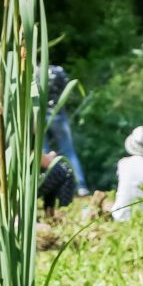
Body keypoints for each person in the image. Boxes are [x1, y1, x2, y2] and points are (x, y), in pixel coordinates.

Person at [43, 63, 89, 196]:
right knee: (68, 151)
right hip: (59, 114)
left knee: (44, 151)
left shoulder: (36, 71)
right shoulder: (59, 71)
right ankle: (81, 186)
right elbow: (66, 90)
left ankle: (47, 184)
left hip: (41, 115)